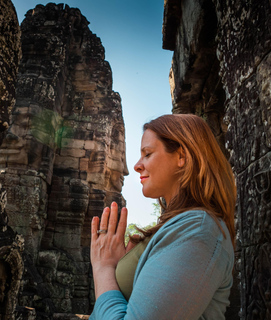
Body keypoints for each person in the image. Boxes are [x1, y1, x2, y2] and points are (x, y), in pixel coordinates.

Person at [89, 114, 236, 319]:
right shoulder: (183, 227)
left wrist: (103, 268)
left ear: (181, 157)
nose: (136, 166)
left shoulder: (199, 230)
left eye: (147, 154)